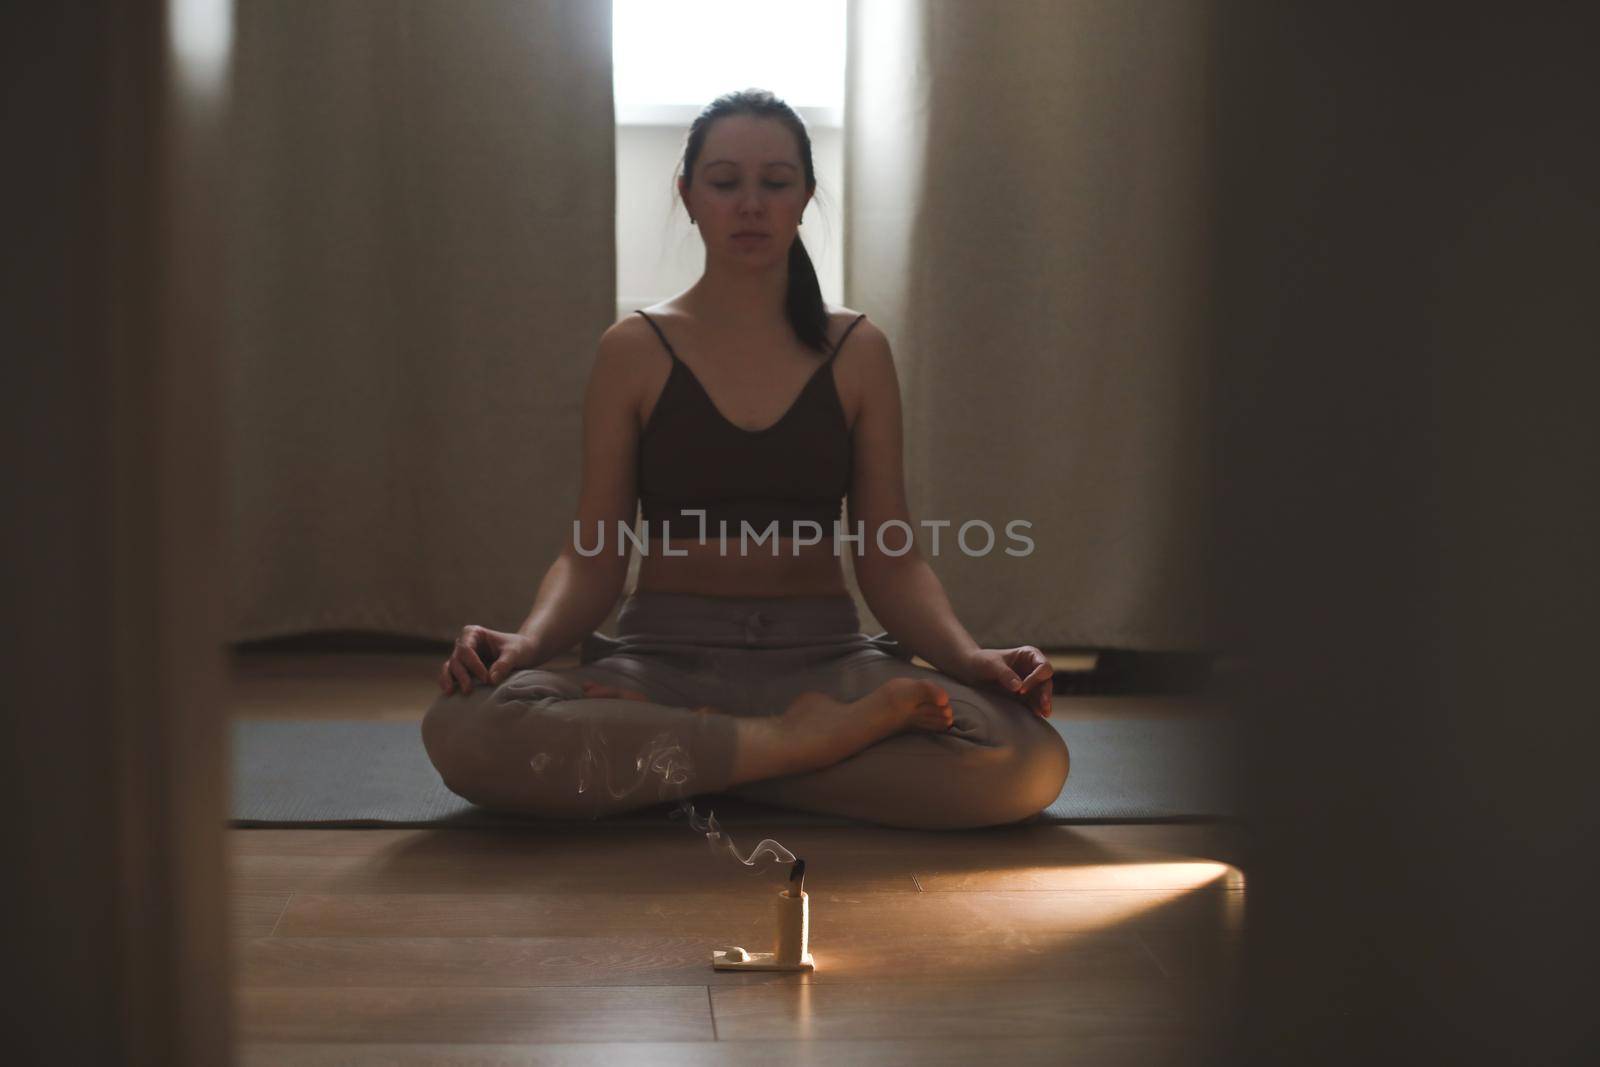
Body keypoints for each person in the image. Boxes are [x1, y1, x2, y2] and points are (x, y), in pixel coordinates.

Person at [421, 89, 1069, 830]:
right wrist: (528, 642)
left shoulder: (858, 350)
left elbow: (891, 558)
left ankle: (685, 765)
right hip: (663, 661)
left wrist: (966, 656)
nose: (751, 204)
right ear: (689, 197)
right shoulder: (633, 349)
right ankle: (797, 747)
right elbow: (593, 555)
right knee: (466, 728)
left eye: (776, 182)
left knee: (1025, 761)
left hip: (823, 661)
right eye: (726, 183)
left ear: (806, 198)